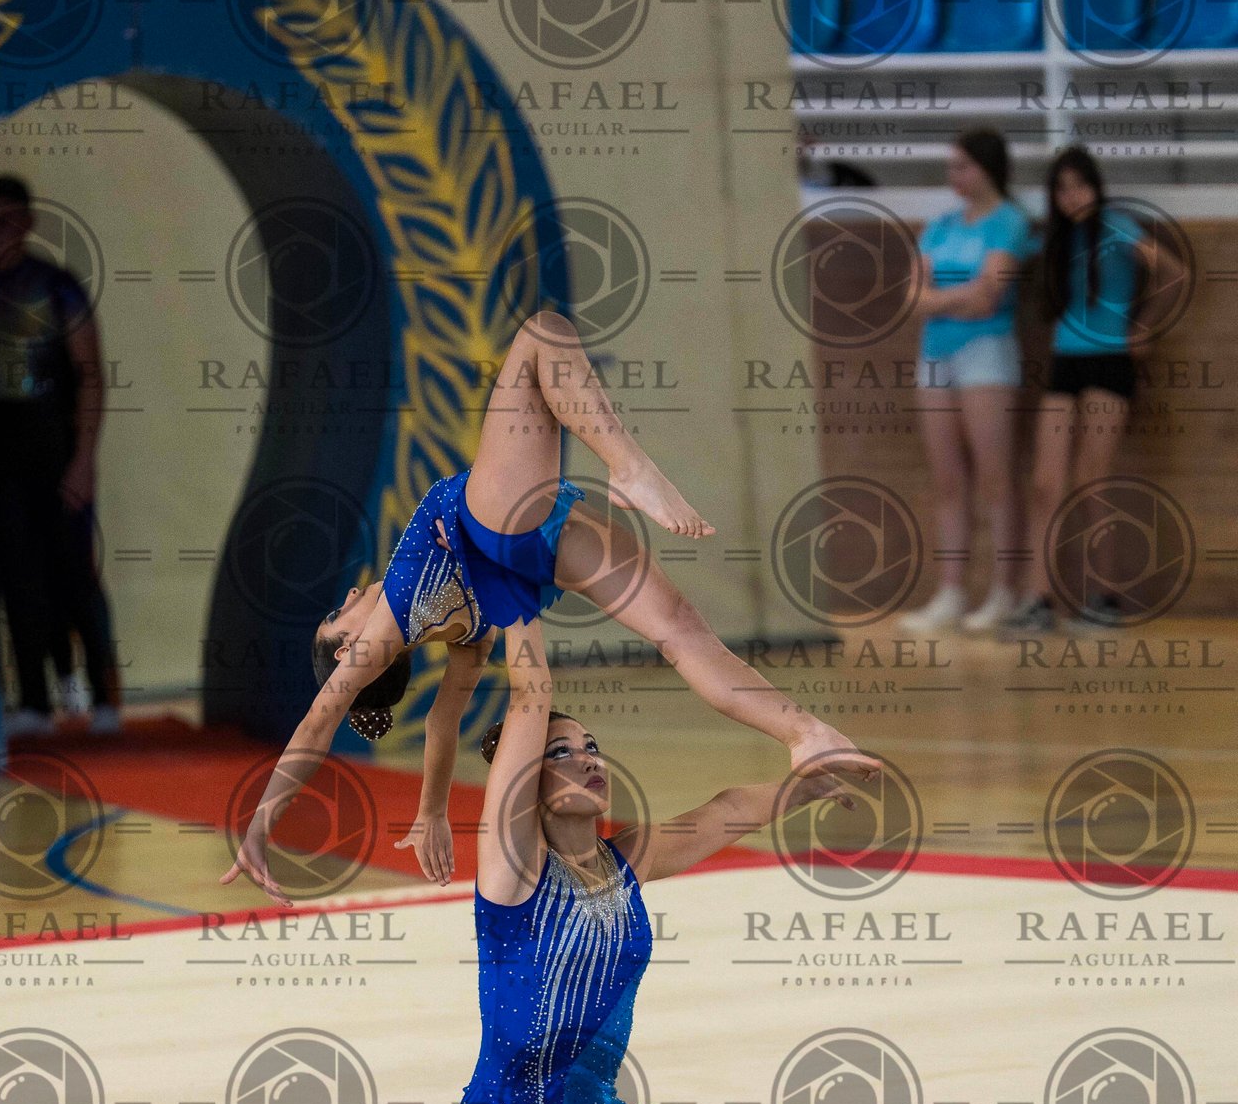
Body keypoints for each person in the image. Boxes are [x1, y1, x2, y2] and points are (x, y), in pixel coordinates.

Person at [425, 615, 1074, 1104]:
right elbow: (530, 701)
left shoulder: (628, 861)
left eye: (593, 747)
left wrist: (803, 787)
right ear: (525, 781)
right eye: (561, 753)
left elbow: (728, 808)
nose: (588, 760)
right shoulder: (514, 872)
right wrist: (519, 597)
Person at [220, 309, 880, 904]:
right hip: (495, 521)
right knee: (542, 334)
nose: (347, 596)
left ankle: (807, 735)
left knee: (681, 632)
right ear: (346, 648)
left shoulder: (467, 642)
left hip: (536, 540)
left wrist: (431, 813)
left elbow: (445, 727)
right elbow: (316, 726)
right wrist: (260, 826)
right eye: (336, 613)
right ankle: (628, 466)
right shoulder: (384, 633)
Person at [0, 174, 122, 736]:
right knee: (16, 576)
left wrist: (83, 458)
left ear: (27, 221)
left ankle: (105, 697)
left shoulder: (58, 287)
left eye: (6, 218)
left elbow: (90, 375)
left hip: (52, 437)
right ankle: (35, 702)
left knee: (73, 572)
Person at [1005, 146, 1156, 633]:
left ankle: (1104, 598)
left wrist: (1145, 326)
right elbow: (1009, 253)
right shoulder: (1054, 239)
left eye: (1081, 185)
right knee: (1046, 484)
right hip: (1065, 361)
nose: (1073, 196)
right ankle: (1039, 601)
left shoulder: (1118, 227)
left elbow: (1175, 271)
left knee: (1093, 481)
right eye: (1062, 188)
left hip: (1110, 362)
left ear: (1096, 187)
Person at [901, 129, 1037, 635]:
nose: (953, 175)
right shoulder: (939, 225)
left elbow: (989, 299)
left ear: (987, 167)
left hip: (987, 355)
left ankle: (1004, 590)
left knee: (995, 477)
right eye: (951, 166)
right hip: (935, 355)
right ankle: (951, 591)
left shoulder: (1010, 222)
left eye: (963, 166)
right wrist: (955, 297)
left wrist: (940, 299)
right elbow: (913, 298)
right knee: (947, 480)